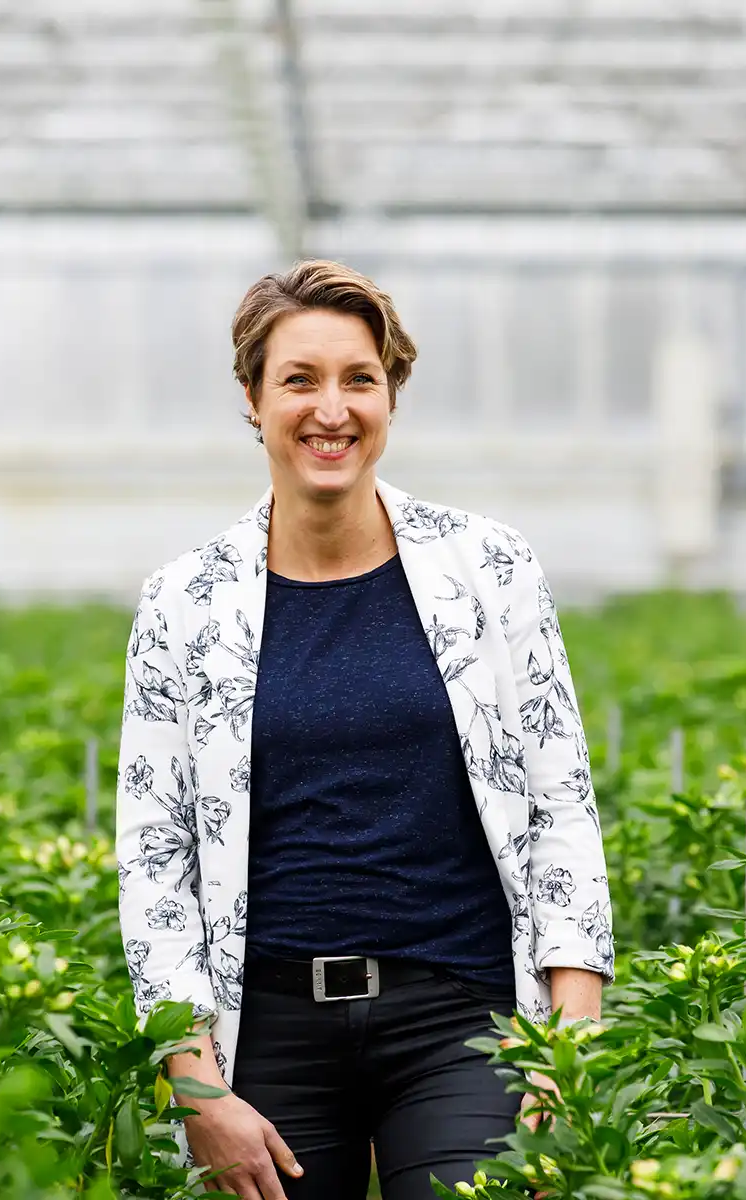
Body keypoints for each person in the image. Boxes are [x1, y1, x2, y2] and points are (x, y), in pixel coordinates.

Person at [115, 259, 614, 1200]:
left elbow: (560, 805)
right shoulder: (186, 601)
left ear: (392, 396)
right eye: (299, 380)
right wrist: (196, 1087)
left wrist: (568, 1040)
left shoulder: (490, 567)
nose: (331, 410)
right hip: (268, 1028)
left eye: (359, 379)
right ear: (253, 399)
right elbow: (156, 854)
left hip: (460, 1017)